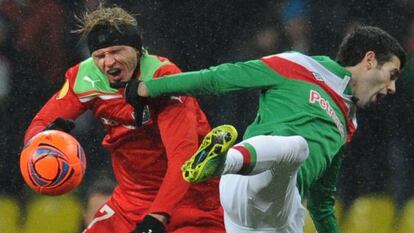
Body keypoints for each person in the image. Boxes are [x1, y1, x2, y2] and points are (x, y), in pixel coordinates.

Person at [133, 26, 406, 233]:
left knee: (297, 183)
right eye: (392, 75)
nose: (392, 88)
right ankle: (219, 162)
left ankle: (219, 162)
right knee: (296, 147)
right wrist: (149, 88)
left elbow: (322, 203)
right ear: (369, 60)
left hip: (277, 214)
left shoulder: (349, 122)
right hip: (245, 179)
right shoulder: (298, 65)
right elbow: (218, 78)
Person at [23, 5, 225, 233]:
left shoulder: (163, 78)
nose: (108, 62)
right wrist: (41, 141)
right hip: (130, 202)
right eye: (100, 55)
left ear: (138, 50)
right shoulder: (84, 78)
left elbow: (183, 157)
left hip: (191, 202)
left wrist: (157, 217)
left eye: (117, 51)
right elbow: (38, 125)